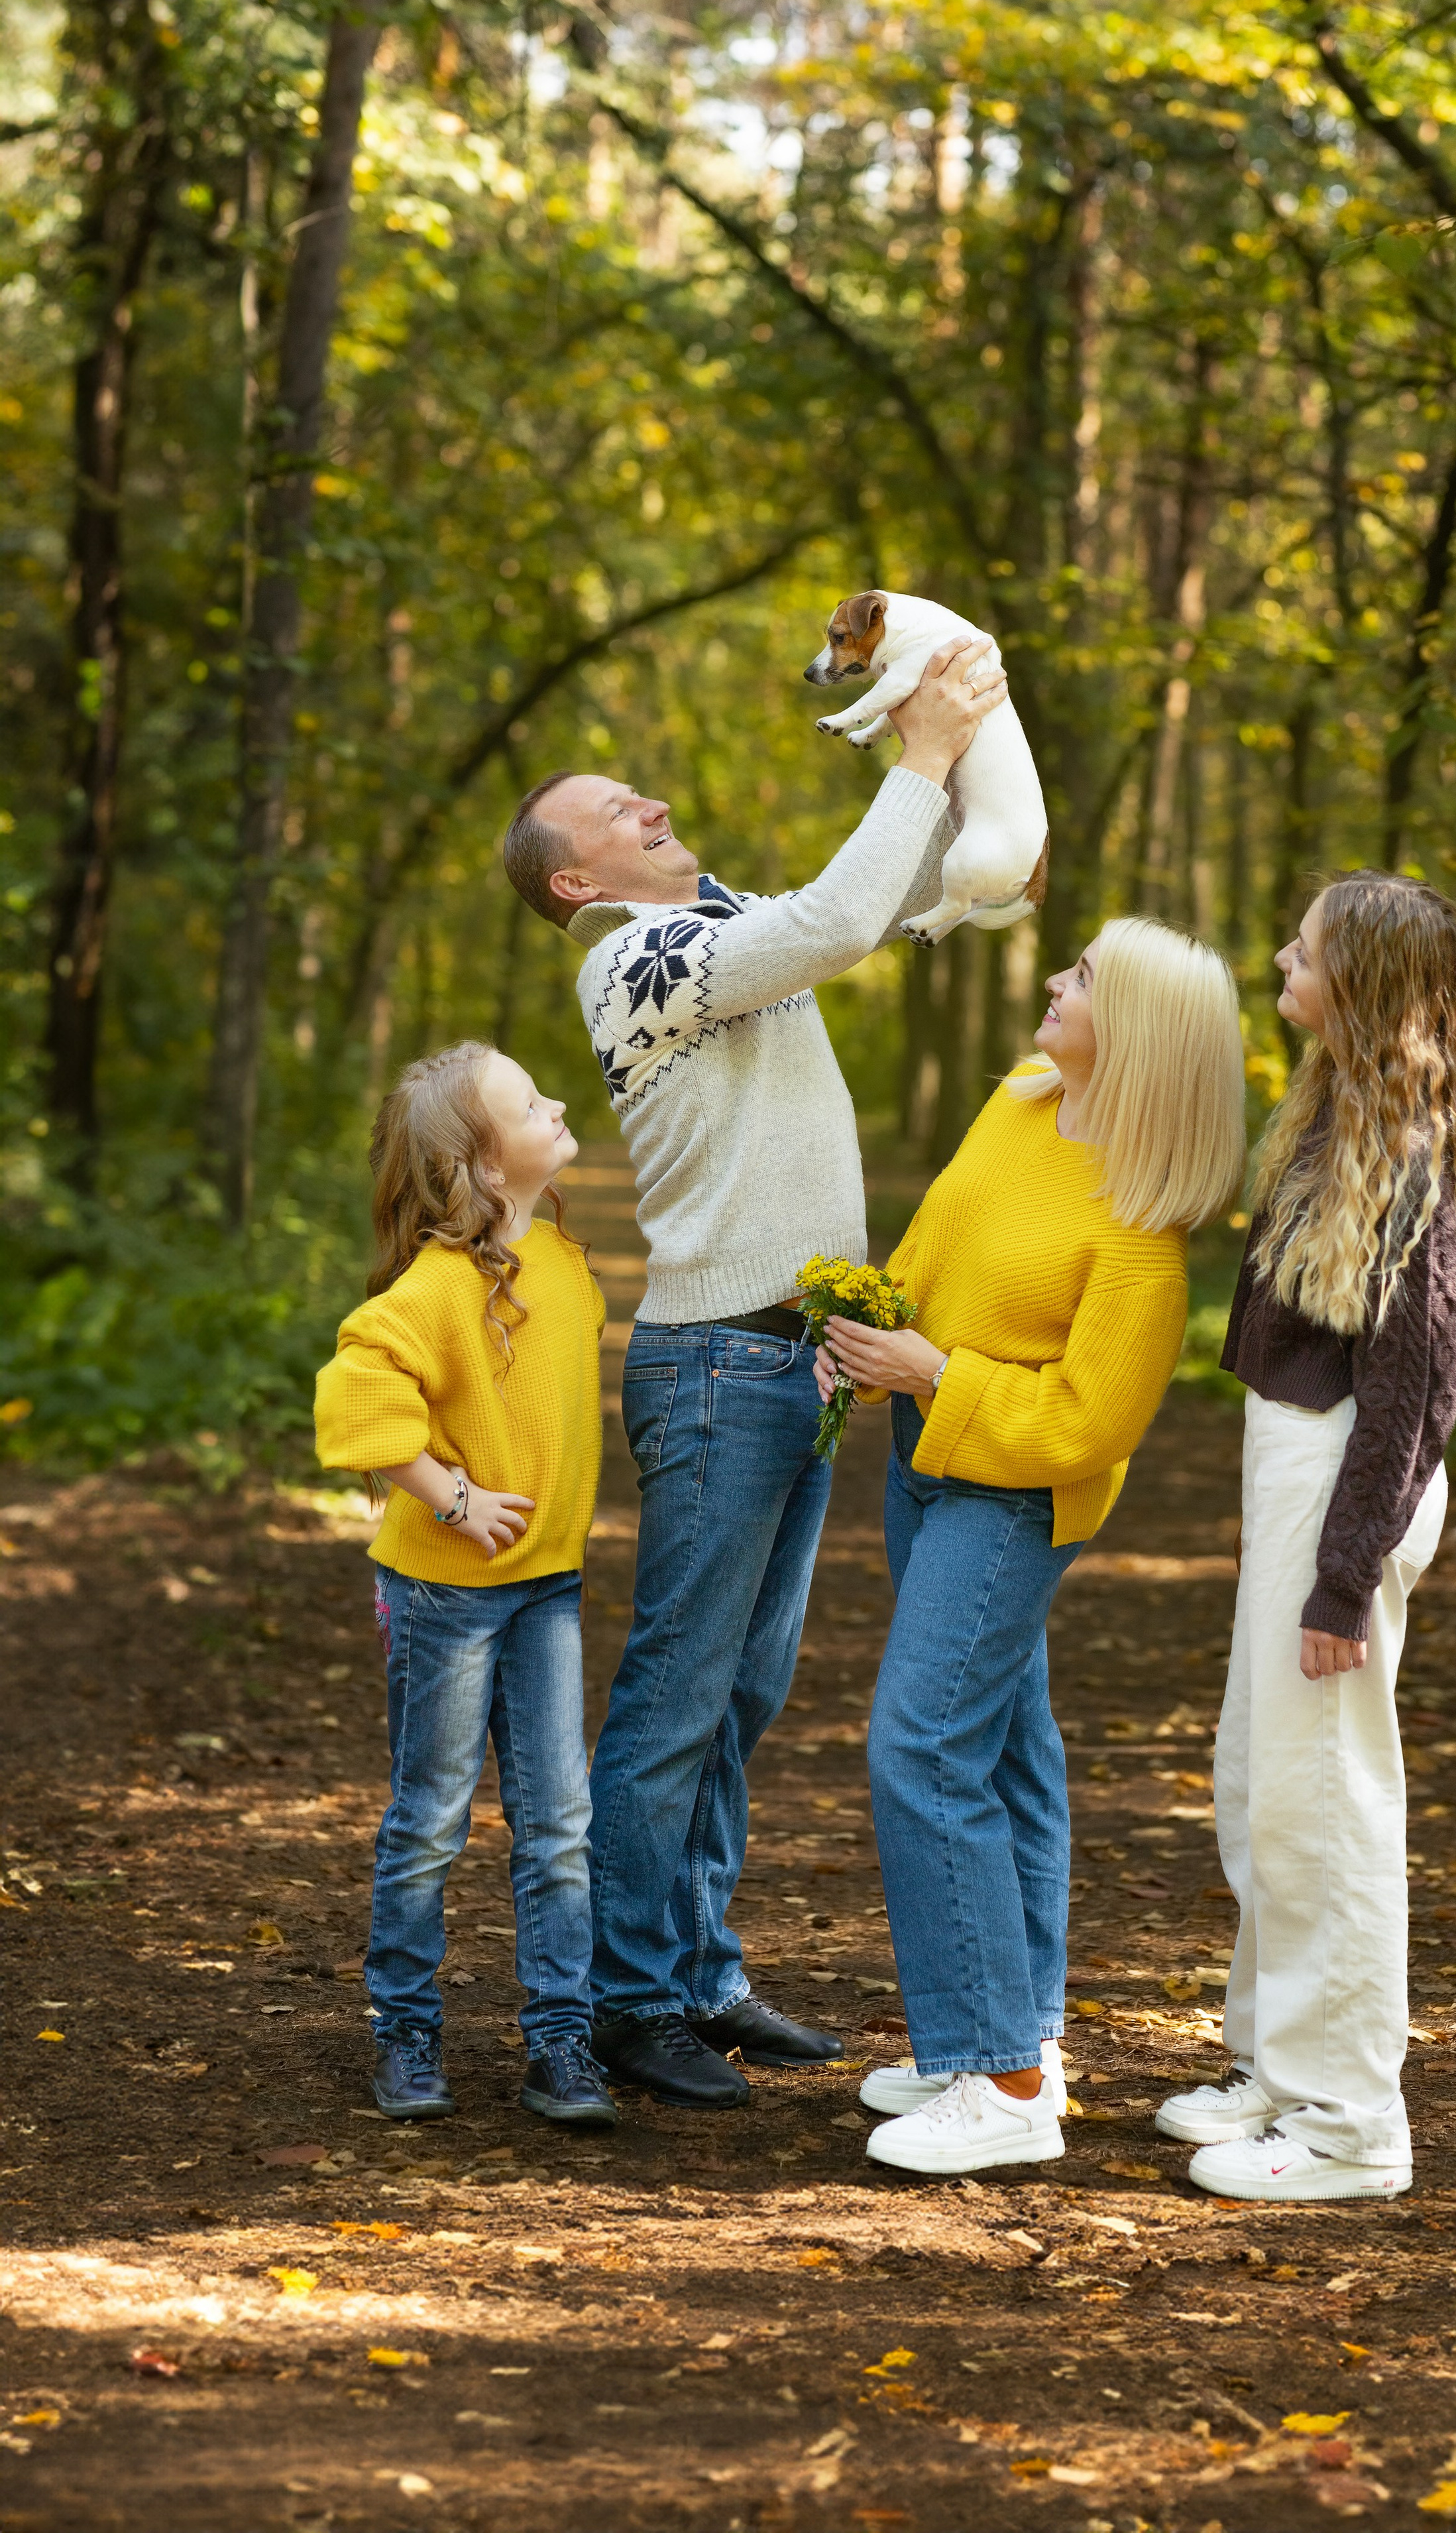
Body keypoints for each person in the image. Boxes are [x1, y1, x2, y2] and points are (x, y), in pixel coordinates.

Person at [500, 640, 1005, 2107]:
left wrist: (975, 838)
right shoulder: (635, 961)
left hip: (801, 1367)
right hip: (719, 1367)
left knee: (743, 1697)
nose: (651, 802)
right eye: (617, 809)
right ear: (576, 882)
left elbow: (870, 901)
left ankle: (698, 1972)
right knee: (677, 1695)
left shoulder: (715, 923)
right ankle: (627, 1999)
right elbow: (839, 920)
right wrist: (918, 756)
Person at [817, 919, 1245, 2175]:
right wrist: (871, 1334)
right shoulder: (1021, 1099)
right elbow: (934, 1246)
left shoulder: (1141, 1233)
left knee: (920, 1742)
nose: (1056, 980)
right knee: (1005, 1748)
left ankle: (1000, 2085)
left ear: (1141, 1031)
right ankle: (1018, 2039)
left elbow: (1087, 1425)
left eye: (1086, 977)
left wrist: (934, 1373)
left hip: (1009, 1501)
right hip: (923, 1456)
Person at [1160, 870, 1456, 2203]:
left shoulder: (1410, 1150)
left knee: (1324, 1799)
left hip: (1344, 1489)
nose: (1278, 959)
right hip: (1300, 1465)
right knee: (1262, 1781)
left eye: (1302, 951)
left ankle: (1352, 2118)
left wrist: (1340, 1579)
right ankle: (1275, 2064)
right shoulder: (1336, 1117)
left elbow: (1412, 1388)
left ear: (1359, 987)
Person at [314, 1042, 615, 2130]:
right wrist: (452, 1497)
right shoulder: (438, 1286)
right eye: (532, 1104)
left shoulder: (565, 1263)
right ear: (487, 1167)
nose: (559, 1102)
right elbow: (353, 1399)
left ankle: (561, 2038)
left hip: (547, 1589)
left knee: (559, 1822)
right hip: (445, 1594)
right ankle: (405, 2028)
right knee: (433, 1816)